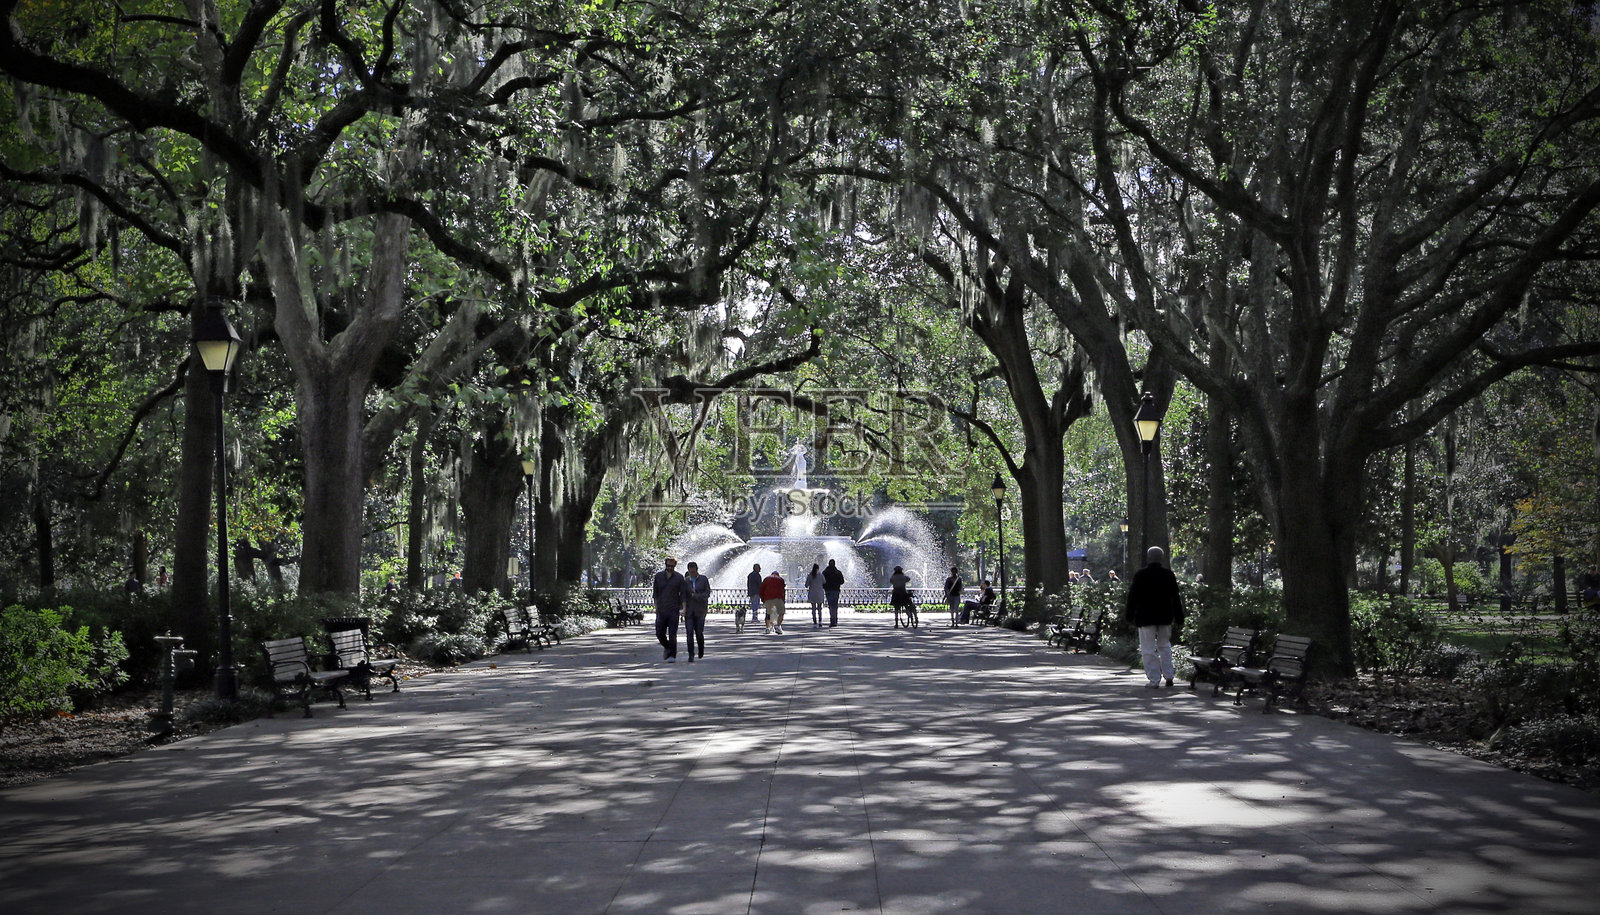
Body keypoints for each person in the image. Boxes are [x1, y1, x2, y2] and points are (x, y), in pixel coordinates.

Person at [1125, 546, 1185, 688]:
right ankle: (1169, 675)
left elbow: (1132, 597)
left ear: (1148, 557)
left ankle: (1154, 679)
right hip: (1165, 616)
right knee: (1165, 646)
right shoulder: (1168, 574)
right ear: (1162, 557)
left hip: (1145, 617)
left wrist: (1129, 616)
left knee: (1148, 648)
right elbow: (1175, 597)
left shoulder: (1141, 575)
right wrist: (1179, 616)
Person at [653, 557, 685, 662]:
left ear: (675, 566)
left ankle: (672, 655)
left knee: (672, 633)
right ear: (665, 564)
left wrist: (684, 608)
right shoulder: (658, 576)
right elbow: (655, 593)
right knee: (659, 633)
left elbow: (683, 595)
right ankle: (667, 647)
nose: (669, 568)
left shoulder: (679, 578)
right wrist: (656, 607)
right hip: (661, 609)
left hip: (673, 609)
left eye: (672, 566)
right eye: (668, 566)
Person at [680, 561, 711, 661]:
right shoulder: (685, 581)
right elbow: (683, 596)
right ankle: (691, 654)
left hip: (700, 610)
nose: (692, 573)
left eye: (694, 571)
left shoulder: (703, 579)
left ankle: (701, 649)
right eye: (690, 572)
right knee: (689, 633)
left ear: (697, 570)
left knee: (699, 632)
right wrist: (683, 609)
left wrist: (696, 596)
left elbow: (707, 593)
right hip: (689, 611)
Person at [760, 568, 787, 634]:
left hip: (768, 598)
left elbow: (761, 590)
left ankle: (767, 628)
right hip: (778, 598)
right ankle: (778, 626)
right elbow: (783, 590)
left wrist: (763, 599)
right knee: (781, 613)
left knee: (768, 613)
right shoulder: (781, 579)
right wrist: (783, 600)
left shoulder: (766, 579)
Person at [822, 558, 845, 627]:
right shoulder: (838, 572)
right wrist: (836, 583)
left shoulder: (825, 572)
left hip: (828, 590)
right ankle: (835, 620)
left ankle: (832, 621)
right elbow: (842, 581)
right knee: (835, 606)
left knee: (831, 605)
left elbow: (822, 581)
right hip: (836, 590)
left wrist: (825, 586)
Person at [742, 563, 762, 633]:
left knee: (753, 605)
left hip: (751, 592)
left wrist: (749, 592)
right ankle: (755, 617)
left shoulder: (750, 575)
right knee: (756, 605)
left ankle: (754, 616)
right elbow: (760, 584)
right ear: (756, 568)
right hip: (756, 592)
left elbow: (748, 584)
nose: (760, 569)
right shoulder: (757, 575)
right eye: (759, 568)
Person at [806, 563, 826, 628]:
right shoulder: (820, 575)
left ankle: (815, 621)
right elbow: (824, 582)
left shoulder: (810, 575)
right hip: (819, 593)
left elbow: (806, 585)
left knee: (813, 609)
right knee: (820, 609)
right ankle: (820, 621)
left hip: (812, 593)